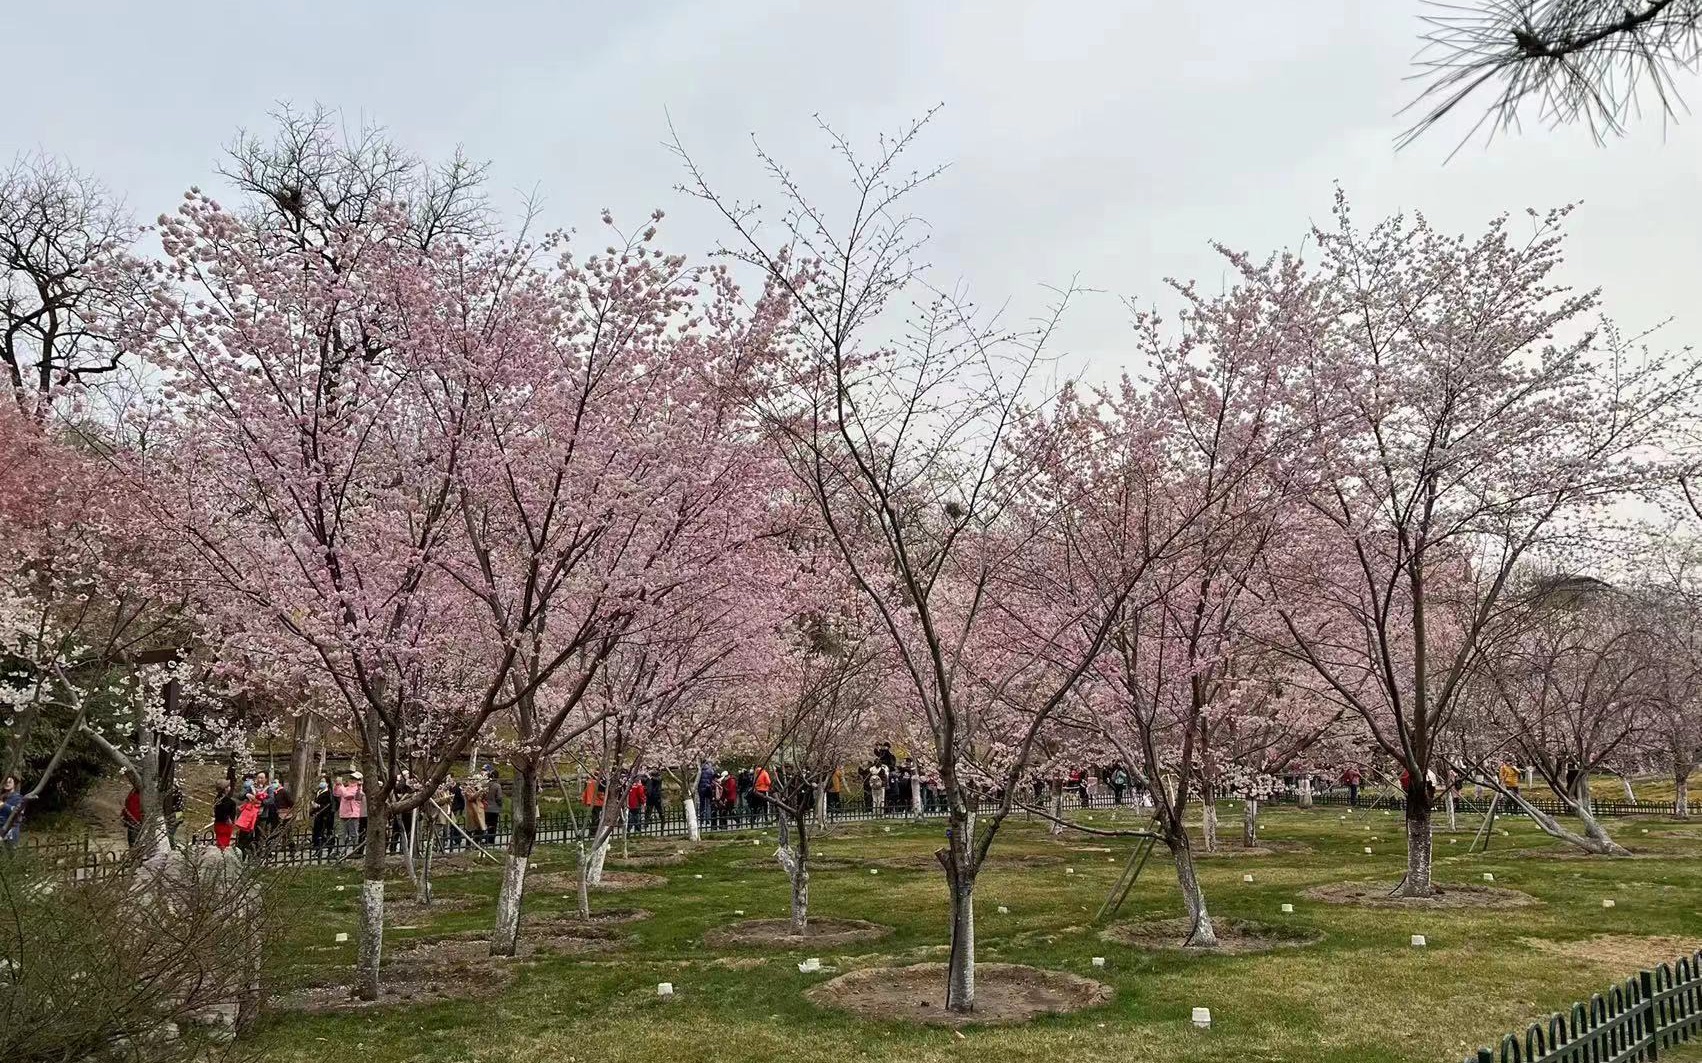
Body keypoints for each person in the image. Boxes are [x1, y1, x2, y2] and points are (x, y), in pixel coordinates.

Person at [333, 772, 365, 850]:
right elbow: (336, 794)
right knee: (341, 834)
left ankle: (355, 850)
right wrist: (337, 785)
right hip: (343, 814)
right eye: (351, 778)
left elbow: (347, 795)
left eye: (354, 779)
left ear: (359, 780)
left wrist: (341, 786)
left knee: (353, 834)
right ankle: (340, 851)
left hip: (352, 814)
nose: (352, 780)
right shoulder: (346, 788)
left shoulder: (358, 789)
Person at [310, 774, 335, 854]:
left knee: (322, 831)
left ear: (327, 783)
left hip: (325, 815)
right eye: (321, 781)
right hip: (318, 814)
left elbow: (329, 805)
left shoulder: (328, 793)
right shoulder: (319, 791)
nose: (321, 783)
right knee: (316, 830)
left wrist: (319, 805)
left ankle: (323, 846)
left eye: (323, 781)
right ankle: (316, 845)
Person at [212, 782, 239, 850]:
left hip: (218, 822)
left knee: (220, 840)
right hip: (225, 824)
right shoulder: (227, 801)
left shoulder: (217, 799)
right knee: (224, 842)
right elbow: (225, 810)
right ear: (225, 789)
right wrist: (229, 818)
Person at [0, 776, 24, 848]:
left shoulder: (18, 798)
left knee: (10, 854)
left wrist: (3, 805)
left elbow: (17, 811)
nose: (7, 784)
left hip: (11, 830)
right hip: (0, 829)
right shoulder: (1, 797)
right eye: (5, 782)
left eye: (10, 782)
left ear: (14, 784)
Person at [484, 769, 503, 844]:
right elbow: (499, 797)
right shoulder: (497, 786)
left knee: (486, 823)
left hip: (486, 807)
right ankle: (491, 840)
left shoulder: (486, 785)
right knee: (493, 824)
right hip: (494, 808)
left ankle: (486, 838)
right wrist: (500, 804)